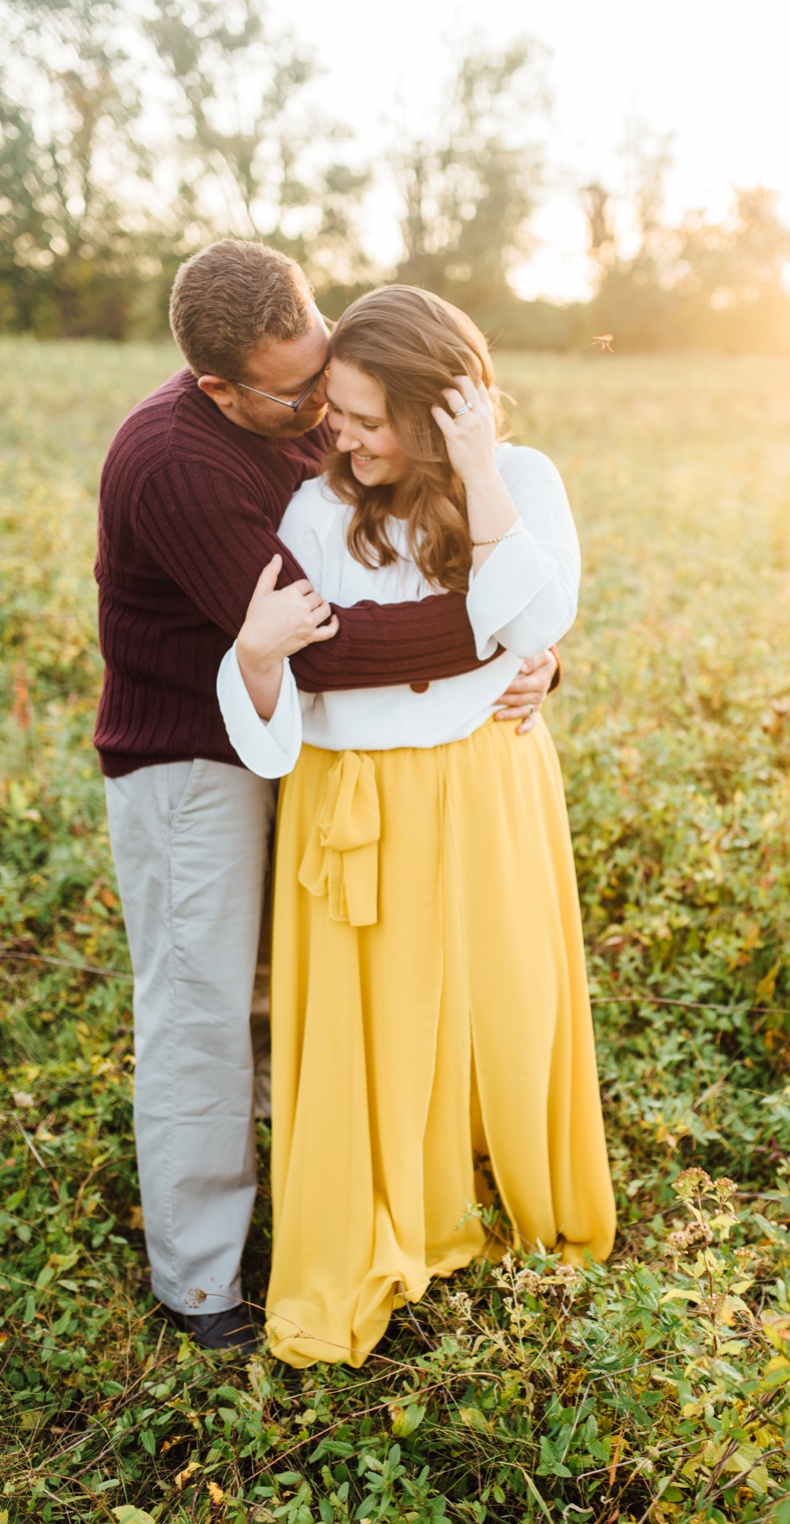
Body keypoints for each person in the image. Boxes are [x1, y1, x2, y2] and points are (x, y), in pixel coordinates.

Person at [94, 239, 555, 1354]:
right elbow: (322, 646)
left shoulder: (303, 401)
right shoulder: (177, 464)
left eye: (324, 377)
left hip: (296, 753)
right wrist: (515, 622)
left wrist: (537, 639)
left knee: (280, 992)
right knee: (198, 1010)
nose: (319, 419)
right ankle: (199, 1285)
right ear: (219, 387)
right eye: (294, 395)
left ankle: (302, 1176)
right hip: (192, 756)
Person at [215, 284, 616, 1366]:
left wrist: (483, 479)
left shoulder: (522, 481)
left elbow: (534, 625)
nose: (336, 434)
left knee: (506, 999)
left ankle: (506, 1203)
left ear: (444, 410)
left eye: (362, 415)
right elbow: (308, 675)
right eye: (332, 410)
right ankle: (384, 1221)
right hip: (357, 802)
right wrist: (264, 656)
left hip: (491, 781)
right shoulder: (315, 510)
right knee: (373, 1029)